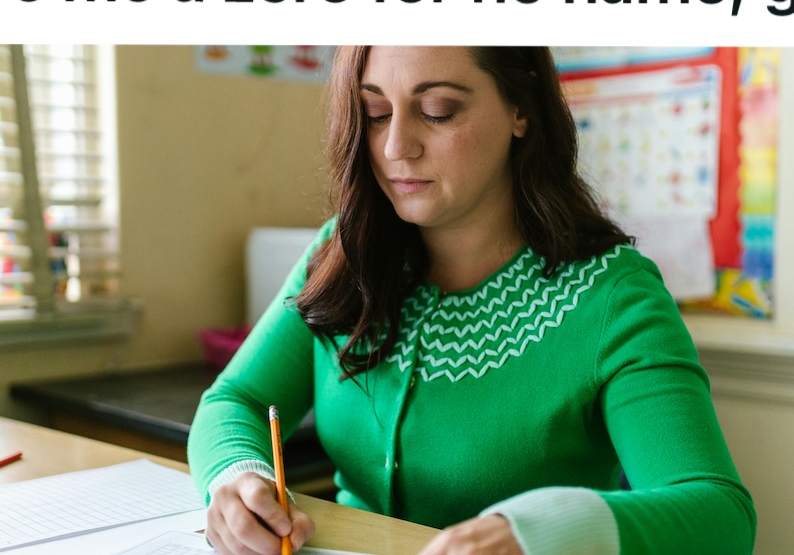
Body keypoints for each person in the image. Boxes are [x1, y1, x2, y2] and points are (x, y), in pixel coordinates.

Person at [188, 46, 757, 554]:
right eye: (375, 113)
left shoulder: (614, 295)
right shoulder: (343, 252)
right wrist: (238, 476)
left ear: (521, 108)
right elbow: (234, 399)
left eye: (437, 111)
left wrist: (545, 530)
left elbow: (720, 515)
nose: (395, 146)